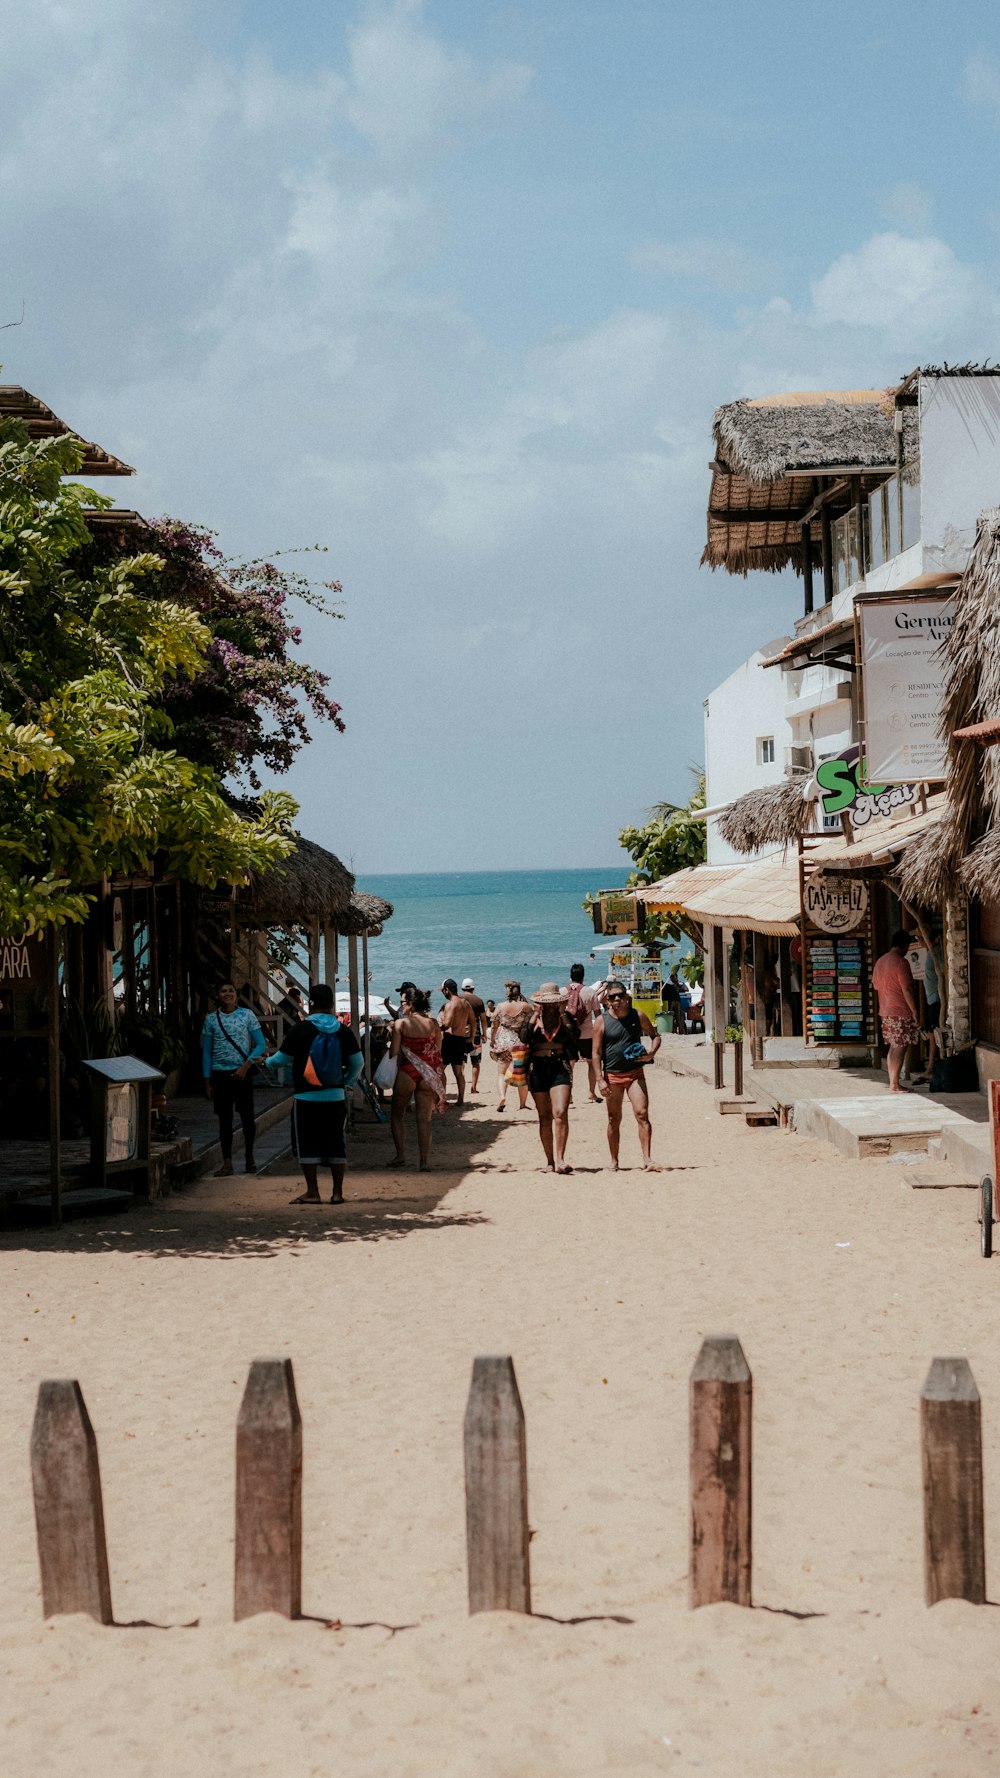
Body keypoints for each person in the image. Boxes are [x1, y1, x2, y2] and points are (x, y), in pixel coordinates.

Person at [263, 983, 363, 1204]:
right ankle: (337, 1193)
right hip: (335, 1096)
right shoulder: (343, 1031)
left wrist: (266, 1062)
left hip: (306, 1096)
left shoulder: (301, 1029)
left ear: (310, 1004)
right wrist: (346, 1083)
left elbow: (280, 1060)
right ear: (331, 1005)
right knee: (336, 1142)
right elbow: (358, 1063)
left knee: (307, 1142)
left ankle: (313, 1192)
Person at [592, 980, 662, 1171]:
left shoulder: (637, 1015)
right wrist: (599, 1079)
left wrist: (651, 1053)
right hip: (612, 1076)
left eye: (620, 995)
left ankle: (647, 1159)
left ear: (626, 996)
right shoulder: (601, 1021)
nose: (617, 1000)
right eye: (612, 996)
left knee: (642, 1113)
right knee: (614, 1118)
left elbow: (655, 1036)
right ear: (607, 1000)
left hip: (634, 1074)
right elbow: (596, 1053)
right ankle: (614, 1161)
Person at [201, 979, 267, 1177]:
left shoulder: (247, 1015)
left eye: (231, 991)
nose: (227, 994)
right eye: (223, 991)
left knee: (247, 1117)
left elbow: (260, 1044)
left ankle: (249, 1157)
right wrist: (207, 1079)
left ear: (236, 995)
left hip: (242, 1074)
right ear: (217, 995)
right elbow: (207, 1052)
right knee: (224, 1120)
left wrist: (246, 1066)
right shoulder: (211, 1019)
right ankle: (227, 1162)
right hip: (220, 1075)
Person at [521, 983, 579, 1173]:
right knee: (544, 1117)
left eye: (554, 1003)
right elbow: (524, 1037)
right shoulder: (533, 1018)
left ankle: (561, 1159)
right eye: (547, 1004)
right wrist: (536, 1014)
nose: (550, 1006)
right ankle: (549, 1161)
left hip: (559, 1066)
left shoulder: (566, 1018)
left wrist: (563, 1013)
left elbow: (574, 1037)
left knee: (560, 1112)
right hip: (537, 1067)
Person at [389, 986, 447, 1168]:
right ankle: (423, 1162)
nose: (401, 1006)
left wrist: (391, 1035)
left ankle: (400, 1155)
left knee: (397, 1115)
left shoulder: (401, 1024)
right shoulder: (433, 1024)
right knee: (425, 1120)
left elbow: (394, 1052)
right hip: (427, 1075)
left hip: (407, 1071)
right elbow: (438, 1051)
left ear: (410, 1004)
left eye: (402, 1003)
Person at [871, 929, 920, 1093]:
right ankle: (894, 1084)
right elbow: (907, 988)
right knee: (901, 1046)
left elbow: (876, 985)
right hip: (900, 1010)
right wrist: (915, 1010)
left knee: (894, 1046)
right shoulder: (901, 962)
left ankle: (893, 1082)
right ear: (905, 945)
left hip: (885, 1009)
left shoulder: (880, 961)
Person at [490, 980, 533, 1111]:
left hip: (503, 1041)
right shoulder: (526, 1006)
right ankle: (522, 1104)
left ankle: (502, 1097)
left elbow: (494, 1026)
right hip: (519, 1041)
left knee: (501, 1073)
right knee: (522, 1074)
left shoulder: (501, 1006)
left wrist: (492, 1040)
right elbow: (532, 1022)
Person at [564, 962, 601, 1102]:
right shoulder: (590, 992)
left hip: (568, 1034)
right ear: (583, 976)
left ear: (570, 976)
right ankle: (591, 1092)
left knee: (569, 1064)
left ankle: (569, 1095)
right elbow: (598, 1016)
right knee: (591, 1062)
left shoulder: (562, 992)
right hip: (587, 1033)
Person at [439, 977, 477, 1104]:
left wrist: (437, 1026)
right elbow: (473, 1021)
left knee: (440, 1069)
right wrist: (471, 1038)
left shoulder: (450, 1005)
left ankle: (442, 1099)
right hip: (461, 1039)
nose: (442, 993)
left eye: (443, 991)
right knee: (458, 1072)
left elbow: (447, 1024)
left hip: (449, 1040)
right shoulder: (465, 1003)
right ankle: (460, 1100)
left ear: (447, 990)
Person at [461, 976, 488, 1094]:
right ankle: (474, 1088)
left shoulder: (458, 999)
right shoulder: (478, 1000)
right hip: (475, 1034)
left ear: (462, 988)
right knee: (475, 1062)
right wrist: (484, 1034)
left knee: (460, 1062)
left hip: (460, 1034)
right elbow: (483, 1020)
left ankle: (460, 1086)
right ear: (473, 988)